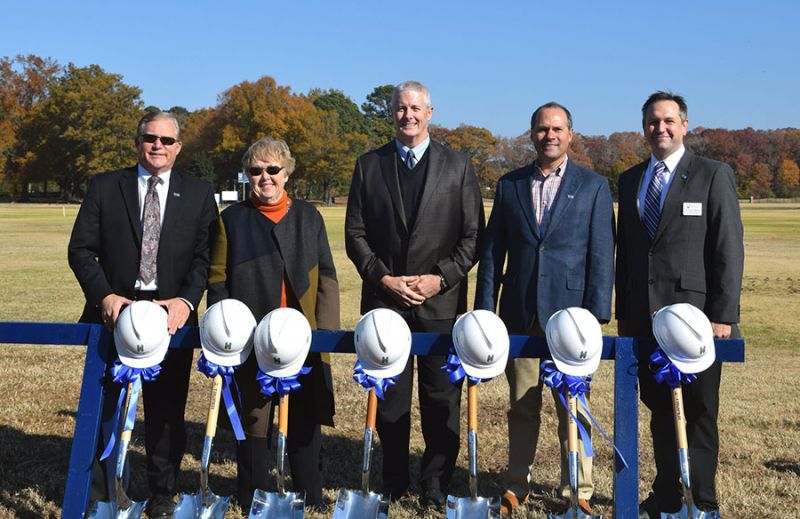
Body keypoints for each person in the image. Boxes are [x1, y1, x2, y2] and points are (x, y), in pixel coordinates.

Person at [68, 111, 218, 517]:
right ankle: (103, 491)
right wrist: (105, 296)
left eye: (167, 141)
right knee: (106, 406)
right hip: (113, 316)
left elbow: (205, 258)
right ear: (138, 141)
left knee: (166, 409)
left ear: (178, 147)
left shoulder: (200, 194)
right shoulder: (104, 186)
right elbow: (80, 250)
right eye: (150, 138)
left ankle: (162, 491)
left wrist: (186, 301)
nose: (157, 146)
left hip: (169, 317)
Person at [345, 80, 484, 509]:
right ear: (393, 114)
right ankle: (394, 479)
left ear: (430, 112)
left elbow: (473, 236)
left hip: (439, 303)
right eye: (401, 108)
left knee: (442, 400)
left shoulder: (458, 166)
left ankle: (436, 482)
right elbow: (355, 234)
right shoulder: (370, 165)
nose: (408, 115)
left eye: (415, 108)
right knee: (390, 399)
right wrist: (383, 279)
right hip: (386, 302)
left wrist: (439, 279)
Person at [474, 102, 614, 516]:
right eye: (541, 129)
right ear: (531, 134)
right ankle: (517, 484)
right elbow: (493, 251)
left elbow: (602, 255)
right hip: (519, 313)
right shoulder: (510, 185)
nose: (549, 135)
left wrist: (595, 317)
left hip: (573, 319)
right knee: (521, 405)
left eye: (557, 129)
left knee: (574, 407)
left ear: (570, 134)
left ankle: (579, 489)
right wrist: (485, 312)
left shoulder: (593, 186)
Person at [615, 91, 744, 518]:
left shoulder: (712, 174)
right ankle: (667, 495)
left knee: (700, 412)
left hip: (698, 322)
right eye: (653, 121)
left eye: (669, 120)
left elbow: (728, 247)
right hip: (645, 320)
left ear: (684, 125)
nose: (661, 128)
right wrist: (625, 314)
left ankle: (701, 500)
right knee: (659, 412)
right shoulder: (631, 180)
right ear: (644, 127)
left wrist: (723, 315)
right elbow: (629, 255)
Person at [207, 136, 338, 510]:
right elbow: (217, 279)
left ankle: (310, 495)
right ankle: (253, 495)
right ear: (247, 176)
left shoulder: (308, 216)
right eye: (256, 171)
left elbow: (326, 277)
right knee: (254, 420)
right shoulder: (231, 220)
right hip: (250, 338)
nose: (265, 177)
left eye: (273, 170)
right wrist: (226, 335)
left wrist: (323, 336)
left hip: (303, 337)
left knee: (304, 416)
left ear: (287, 172)